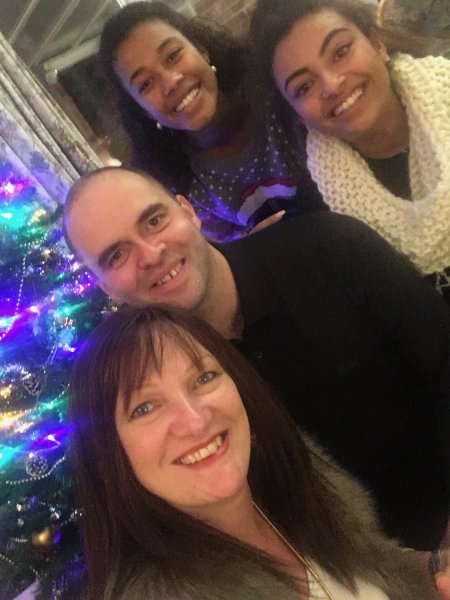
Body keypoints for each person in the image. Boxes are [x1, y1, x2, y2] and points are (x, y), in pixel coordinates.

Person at [62, 166, 450, 551]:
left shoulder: (327, 248)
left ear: (188, 211)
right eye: (116, 255)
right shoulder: (153, 396)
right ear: (106, 288)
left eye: (154, 221)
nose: (150, 255)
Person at [70, 304, 436, 599]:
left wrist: (435, 568)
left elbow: (380, 567)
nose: (195, 421)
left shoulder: (299, 485)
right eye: (145, 408)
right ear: (109, 456)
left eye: (203, 378)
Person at [250, 0, 450, 303]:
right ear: (298, 116)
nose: (331, 85)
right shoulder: (318, 215)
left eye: (341, 52)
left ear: (377, 43)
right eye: (304, 87)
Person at [98, 1, 325, 242]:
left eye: (173, 56)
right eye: (146, 83)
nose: (171, 82)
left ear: (201, 49)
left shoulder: (278, 90)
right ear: (142, 110)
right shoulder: (183, 190)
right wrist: (250, 250)